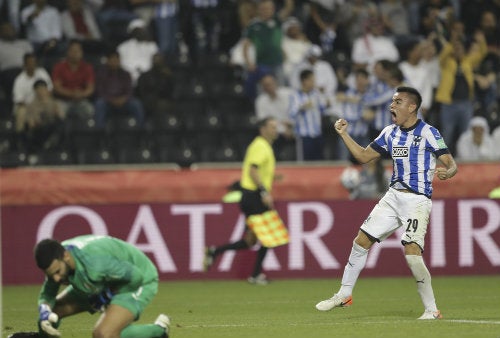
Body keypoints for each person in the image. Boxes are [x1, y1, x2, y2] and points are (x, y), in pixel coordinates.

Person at [315, 86, 458, 320]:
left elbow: (451, 162)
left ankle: (432, 310)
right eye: (392, 101)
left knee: (412, 253)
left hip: (417, 200)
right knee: (360, 241)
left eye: (398, 101)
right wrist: (343, 134)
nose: (392, 105)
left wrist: (448, 172)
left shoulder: (429, 132)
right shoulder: (390, 133)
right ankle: (344, 294)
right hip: (392, 197)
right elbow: (362, 156)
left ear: (412, 107)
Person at [34, 235, 170, 337]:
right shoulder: (58, 258)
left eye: (58, 272)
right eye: (51, 275)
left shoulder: (95, 263)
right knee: (54, 310)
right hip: (101, 282)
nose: (56, 279)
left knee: (103, 334)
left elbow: (135, 277)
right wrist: (44, 311)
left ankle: (158, 331)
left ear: (66, 256)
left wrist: (107, 295)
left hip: (138, 279)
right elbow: (47, 294)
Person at [204, 117, 280, 285]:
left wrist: (272, 177)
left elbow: (256, 170)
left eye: (276, 127)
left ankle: (214, 252)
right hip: (254, 197)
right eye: (272, 127)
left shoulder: (261, 145)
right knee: (269, 236)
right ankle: (255, 274)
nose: (276, 130)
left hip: (250, 196)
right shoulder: (261, 146)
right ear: (262, 129)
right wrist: (264, 192)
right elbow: (253, 170)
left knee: (250, 241)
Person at [95, 50, 145, 128]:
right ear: (107, 60)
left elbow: (130, 91)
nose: (115, 61)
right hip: (108, 102)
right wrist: (111, 99)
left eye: (117, 59)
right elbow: (100, 91)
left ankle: (140, 131)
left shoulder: (126, 74)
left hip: (124, 102)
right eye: (112, 59)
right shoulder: (101, 73)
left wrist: (123, 99)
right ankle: (99, 133)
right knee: (99, 104)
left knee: (136, 104)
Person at [289, 69, 329, 161]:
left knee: (319, 163)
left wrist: (324, 96)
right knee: (305, 164)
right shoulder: (295, 96)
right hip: (304, 136)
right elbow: (291, 114)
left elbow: (324, 107)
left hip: (317, 134)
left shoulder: (316, 94)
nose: (313, 83)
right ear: (304, 81)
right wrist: (302, 107)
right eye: (311, 80)